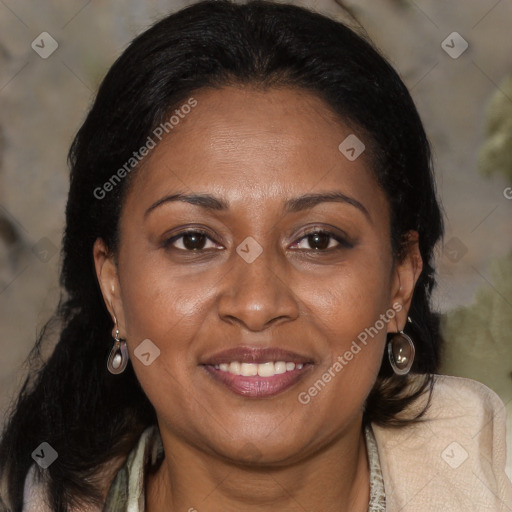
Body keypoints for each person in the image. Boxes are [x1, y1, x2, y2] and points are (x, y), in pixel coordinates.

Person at [1, 1, 511, 511]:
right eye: (194, 241)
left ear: (400, 281)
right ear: (113, 285)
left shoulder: (486, 475)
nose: (257, 304)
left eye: (318, 240)